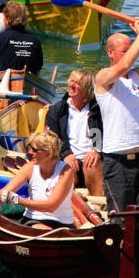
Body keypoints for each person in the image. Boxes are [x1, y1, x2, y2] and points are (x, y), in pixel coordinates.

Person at [95, 19, 139, 215]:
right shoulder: (103, 77)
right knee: (120, 220)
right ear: (110, 53)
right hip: (117, 162)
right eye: (124, 50)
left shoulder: (136, 77)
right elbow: (126, 63)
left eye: (131, 49)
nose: (130, 54)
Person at [0, 131, 76, 229]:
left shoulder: (66, 171)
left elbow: (51, 206)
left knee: (50, 233)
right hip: (34, 219)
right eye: (29, 147)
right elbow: (3, 193)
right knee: (45, 231)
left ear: (48, 153)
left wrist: (18, 200)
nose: (30, 152)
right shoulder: (29, 168)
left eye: (35, 150)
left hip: (63, 223)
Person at [45, 68, 103, 196]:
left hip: (91, 160)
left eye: (76, 83)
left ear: (86, 89)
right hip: (68, 158)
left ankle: (98, 206)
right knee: (67, 170)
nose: (71, 85)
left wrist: (97, 151)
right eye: (70, 81)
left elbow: (108, 134)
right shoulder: (57, 110)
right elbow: (52, 138)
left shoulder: (98, 110)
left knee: (93, 166)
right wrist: (66, 154)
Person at [0, 1, 43, 74]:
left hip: (5, 82)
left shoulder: (0, 38)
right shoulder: (35, 40)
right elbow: (38, 70)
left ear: (7, 19)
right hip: (28, 83)